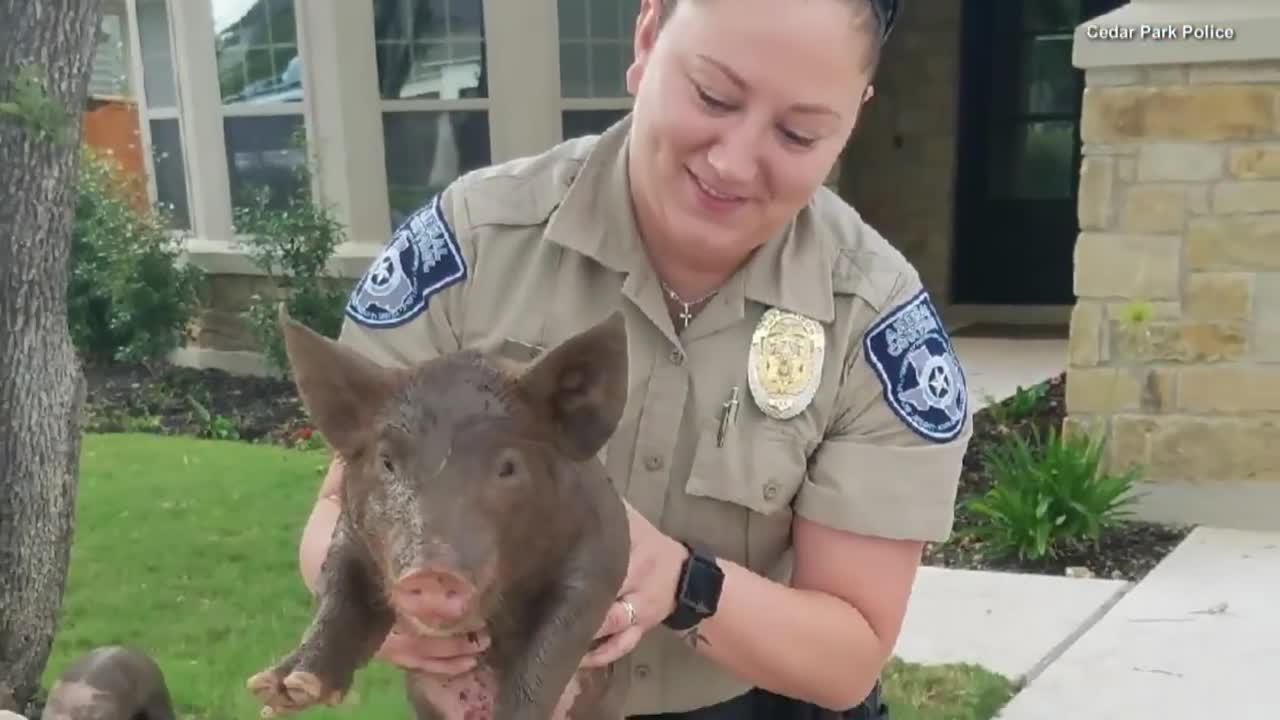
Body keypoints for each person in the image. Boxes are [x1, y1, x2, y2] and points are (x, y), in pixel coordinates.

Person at [298, 0, 973, 717]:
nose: (733, 162)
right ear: (647, 35)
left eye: (798, 132)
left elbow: (850, 655)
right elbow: (338, 513)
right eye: (713, 96)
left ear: (855, 114)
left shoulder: (877, 324)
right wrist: (395, 605)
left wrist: (682, 583)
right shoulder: (471, 245)